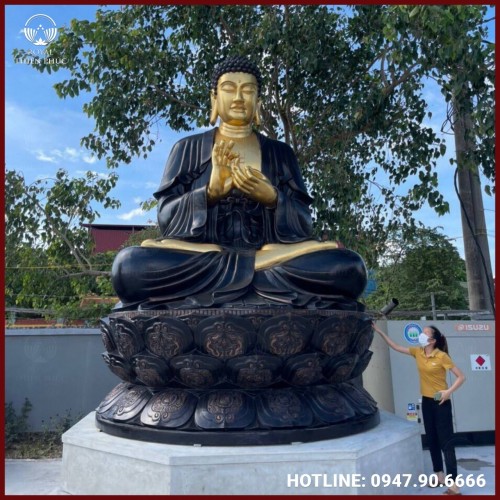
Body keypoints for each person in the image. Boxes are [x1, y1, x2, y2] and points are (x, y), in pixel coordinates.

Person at [111, 56, 367, 309]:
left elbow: (304, 223)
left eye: (248, 90)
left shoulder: (280, 154)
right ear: (214, 98)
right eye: (229, 88)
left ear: (258, 102)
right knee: (129, 266)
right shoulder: (187, 148)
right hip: (208, 259)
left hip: (262, 261)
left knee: (349, 268)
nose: (238, 98)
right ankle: (254, 266)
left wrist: (274, 199)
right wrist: (208, 194)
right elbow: (166, 220)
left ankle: (249, 266)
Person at [372, 323, 466, 495]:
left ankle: (454, 485)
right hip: (427, 402)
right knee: (432, 440)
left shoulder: (442, 356)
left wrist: (448, 392)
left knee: (446, 443)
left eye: (424, 333)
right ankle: (439, 476)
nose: (421, 335)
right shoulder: (418, 352)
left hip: (441, 403)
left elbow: (461, 377)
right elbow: (396, 347)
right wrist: (379, 331)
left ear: (432, 340)